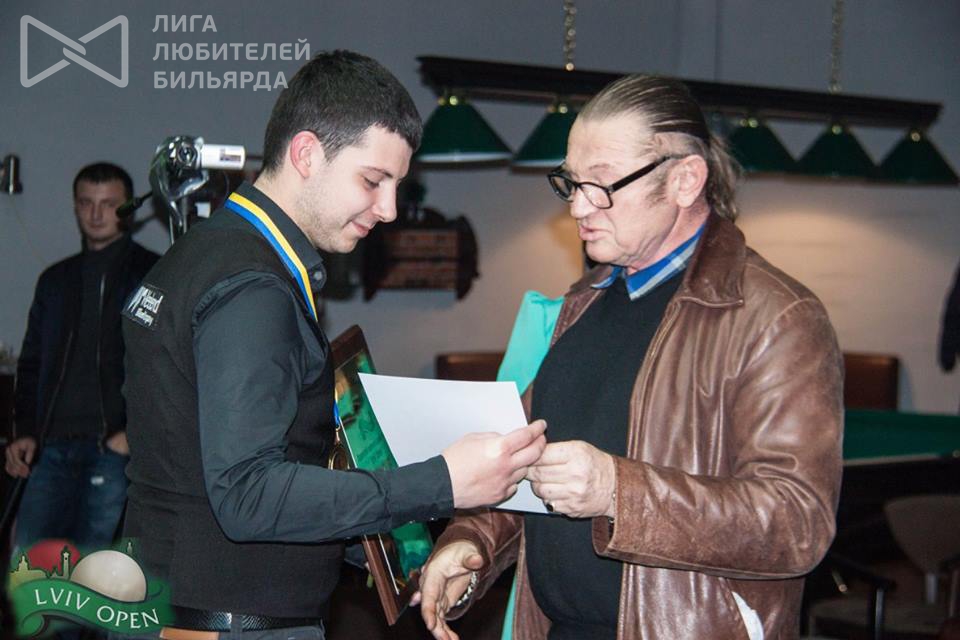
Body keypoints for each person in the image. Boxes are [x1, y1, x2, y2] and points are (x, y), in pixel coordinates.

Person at [120, 50, 546, 640]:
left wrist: (388, 555)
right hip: (225, 622)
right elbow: (247, 494)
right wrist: (441, 481)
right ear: (306, 154)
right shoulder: (253, 287)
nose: (389, 210)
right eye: (372, 181)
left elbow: (225, 461)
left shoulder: (207, 251)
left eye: (397, 186)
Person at [416, 74, 844, 640]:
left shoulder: (776, 316)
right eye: (572, 183)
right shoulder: (583, 301)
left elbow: (796, 522)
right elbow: (525, 466)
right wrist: (471, 542)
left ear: (686, 180)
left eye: (602, 184)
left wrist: (618, 491)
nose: (578, 206)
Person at [4, 163, 159, 555]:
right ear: (75, 206)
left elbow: (167, 364)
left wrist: (134, 431)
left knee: (95, 575)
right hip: (49, 449)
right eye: (87, 202)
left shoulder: (154, 274)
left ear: (127, 208)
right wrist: (24, 431)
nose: (96, 213)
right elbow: (31, 363)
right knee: (31, 572)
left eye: (108, 203)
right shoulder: (55, 280)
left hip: (112, 451)